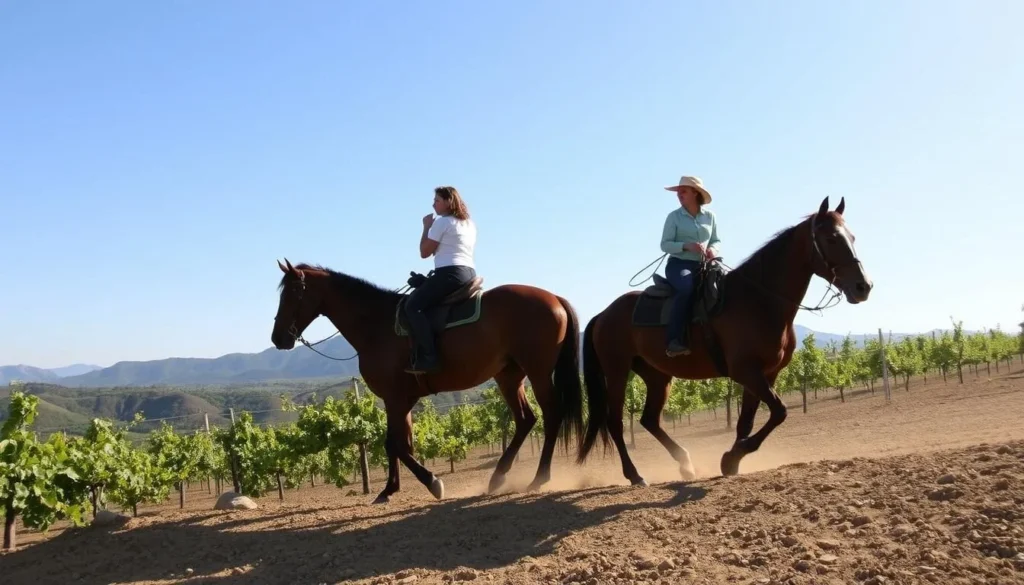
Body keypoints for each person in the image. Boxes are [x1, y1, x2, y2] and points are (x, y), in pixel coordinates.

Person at [404, 185, 478, 373]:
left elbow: (424, 252)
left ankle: (429, 357)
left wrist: (426, 227)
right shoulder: (469, 223)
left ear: (448, 201)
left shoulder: (442, 222)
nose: (433, 204)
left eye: (437, 200)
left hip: (449, 274)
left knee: (412, 306)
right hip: (468, 273)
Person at [660, 175, 721, 357]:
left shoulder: (710, 217)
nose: (679, 194)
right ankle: (673, 341)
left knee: (727, 287)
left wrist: (712, 250)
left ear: (696, 193)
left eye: (683, 191)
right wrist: (687, 246)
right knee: (686, 288)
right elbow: (665, 244)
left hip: (705, 265)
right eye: (678, 191)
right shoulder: (674, 217)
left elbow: (716, 240)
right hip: (679, 264)